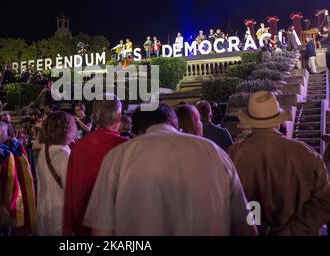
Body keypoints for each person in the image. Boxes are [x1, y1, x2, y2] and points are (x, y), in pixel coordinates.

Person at [83, 104, 257, 236]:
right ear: (174, 123)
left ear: (136, 130)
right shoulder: (213, 151)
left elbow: (102, 229)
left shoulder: (117, 157)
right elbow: (245, 224)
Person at [229, 91, 330, 235]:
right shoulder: (304, 153)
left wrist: (257, 227)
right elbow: (325, 201)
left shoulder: (233, 154)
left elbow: (228, 202)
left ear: (250, 121)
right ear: (278, 120)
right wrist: (294, 229)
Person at [63, 95, 128, 236]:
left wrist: (67, 229)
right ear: (118, 118)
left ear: (93, 116)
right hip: (118, 225)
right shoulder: (127, 147)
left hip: (83, 226)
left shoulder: (79, 146)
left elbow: (71, 193)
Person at [37, 111, 77, 236]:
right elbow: (71, 190)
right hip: (60, 219)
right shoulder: (63, 154)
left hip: (45, 214)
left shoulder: (44, 150)